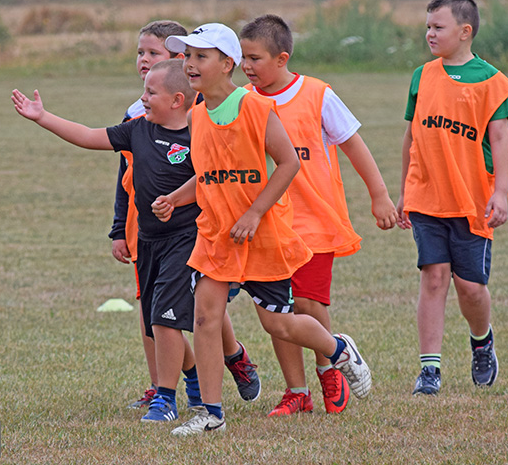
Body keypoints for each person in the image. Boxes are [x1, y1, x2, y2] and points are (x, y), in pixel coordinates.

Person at [153, 22, 373, 436]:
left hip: (261, 236)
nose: (190, 63)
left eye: (201, 56)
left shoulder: (255, 107)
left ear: (227, 63)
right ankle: (212, 414)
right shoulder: (196, 114)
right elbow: (205, 174)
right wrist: (176, 198)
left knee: (279, 324)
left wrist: (254, 213)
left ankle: (338, 348)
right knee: (205, 318)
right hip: (217, 235)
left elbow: (289, 163)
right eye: (187, 56)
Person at [12, 59, 206, 423]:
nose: (142, 98)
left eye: (151, 92)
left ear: (178, 99)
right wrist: (43, 117)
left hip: (186, 239)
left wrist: (177, 200)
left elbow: (212, 180)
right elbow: (88, 136)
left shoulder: (200, 135)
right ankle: (193, 377)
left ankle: (165, 399)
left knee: (165, 319)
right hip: (148, 240)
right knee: (156, 320)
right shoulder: (136, 129)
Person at [238, 14, 398, 416]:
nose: (246, 66)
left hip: (313, 221)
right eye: (242, 57)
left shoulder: (317, 94)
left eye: (254, 58)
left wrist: (379, 195)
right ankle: (297, 391)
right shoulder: (244, 101)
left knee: (308, 303)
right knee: (279, 311)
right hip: (268, 223)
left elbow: (354, 145)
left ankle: (329, 366)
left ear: (282, 58)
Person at [111, 21, 261, 410]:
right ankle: (168, 382)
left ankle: (218, 366)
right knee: (155, 313)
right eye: (140, 53)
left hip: (195, 226)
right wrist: (117, 228)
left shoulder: (205, 106)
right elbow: (127, 170)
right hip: (146, 228)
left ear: (179, 62)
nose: (144, 61)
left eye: (154, 54)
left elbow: (223, 169)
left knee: (192, 308)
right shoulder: (141, 109)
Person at [395, 0, 508, 396]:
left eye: (438, 27)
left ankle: (481, 341)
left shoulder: (490, 80)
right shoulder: (421, 75)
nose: (429, 33)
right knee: (433, 278)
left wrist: (501, 193)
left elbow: (501, 139)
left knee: (470, 288)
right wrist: (403, 193)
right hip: (427, 196)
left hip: (472, 200)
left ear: (465, 32)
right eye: (427, 26)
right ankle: (429, 369)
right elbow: (410, 138)